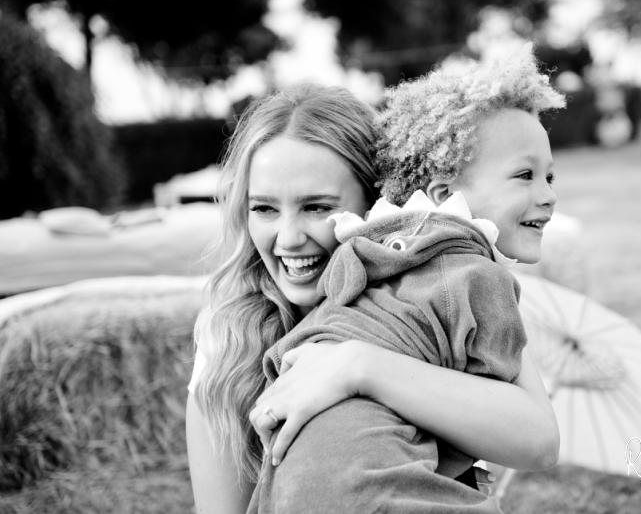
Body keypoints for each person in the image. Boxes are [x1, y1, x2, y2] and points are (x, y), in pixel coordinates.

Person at [186, 83, 561, 514]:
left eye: (316, 207)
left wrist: (360, 366)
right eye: (264, 209)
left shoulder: (438, 285)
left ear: (375, 206)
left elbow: (539, 441)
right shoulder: (228, 344)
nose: (288, 238)